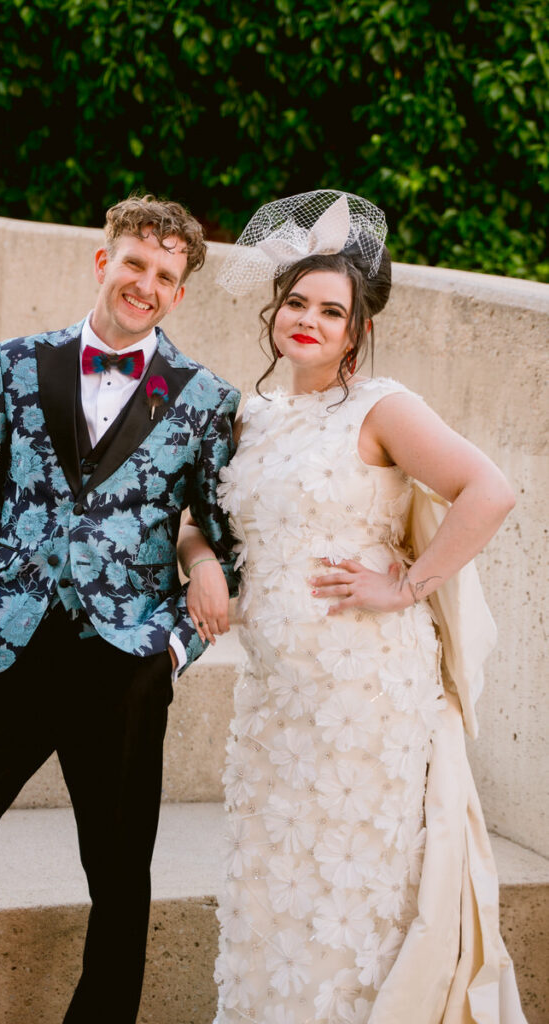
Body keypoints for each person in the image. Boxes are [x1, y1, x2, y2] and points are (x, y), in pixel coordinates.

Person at [0, 194, 240, 1023]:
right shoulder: (17, 362)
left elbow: (225, 539)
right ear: (102, 261)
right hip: (0, 651)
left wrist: (170, 650)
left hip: (123, 665)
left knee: (118, 879)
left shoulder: (205, 399)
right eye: (134, 263)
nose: (145, 283)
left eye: (165, 275)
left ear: (180, 294)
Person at [179, 191, 528, 1023]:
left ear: (356, 330)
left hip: (365, 697)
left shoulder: (381, 407)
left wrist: (405, 585)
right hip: (278, 702)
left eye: (330, 310)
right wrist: (200, 564)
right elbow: (197, 519)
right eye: (296, 301)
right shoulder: (248, 415)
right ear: (274, 309)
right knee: (279, 883)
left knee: (353, 887)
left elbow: (490, 490)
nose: (307, 319)